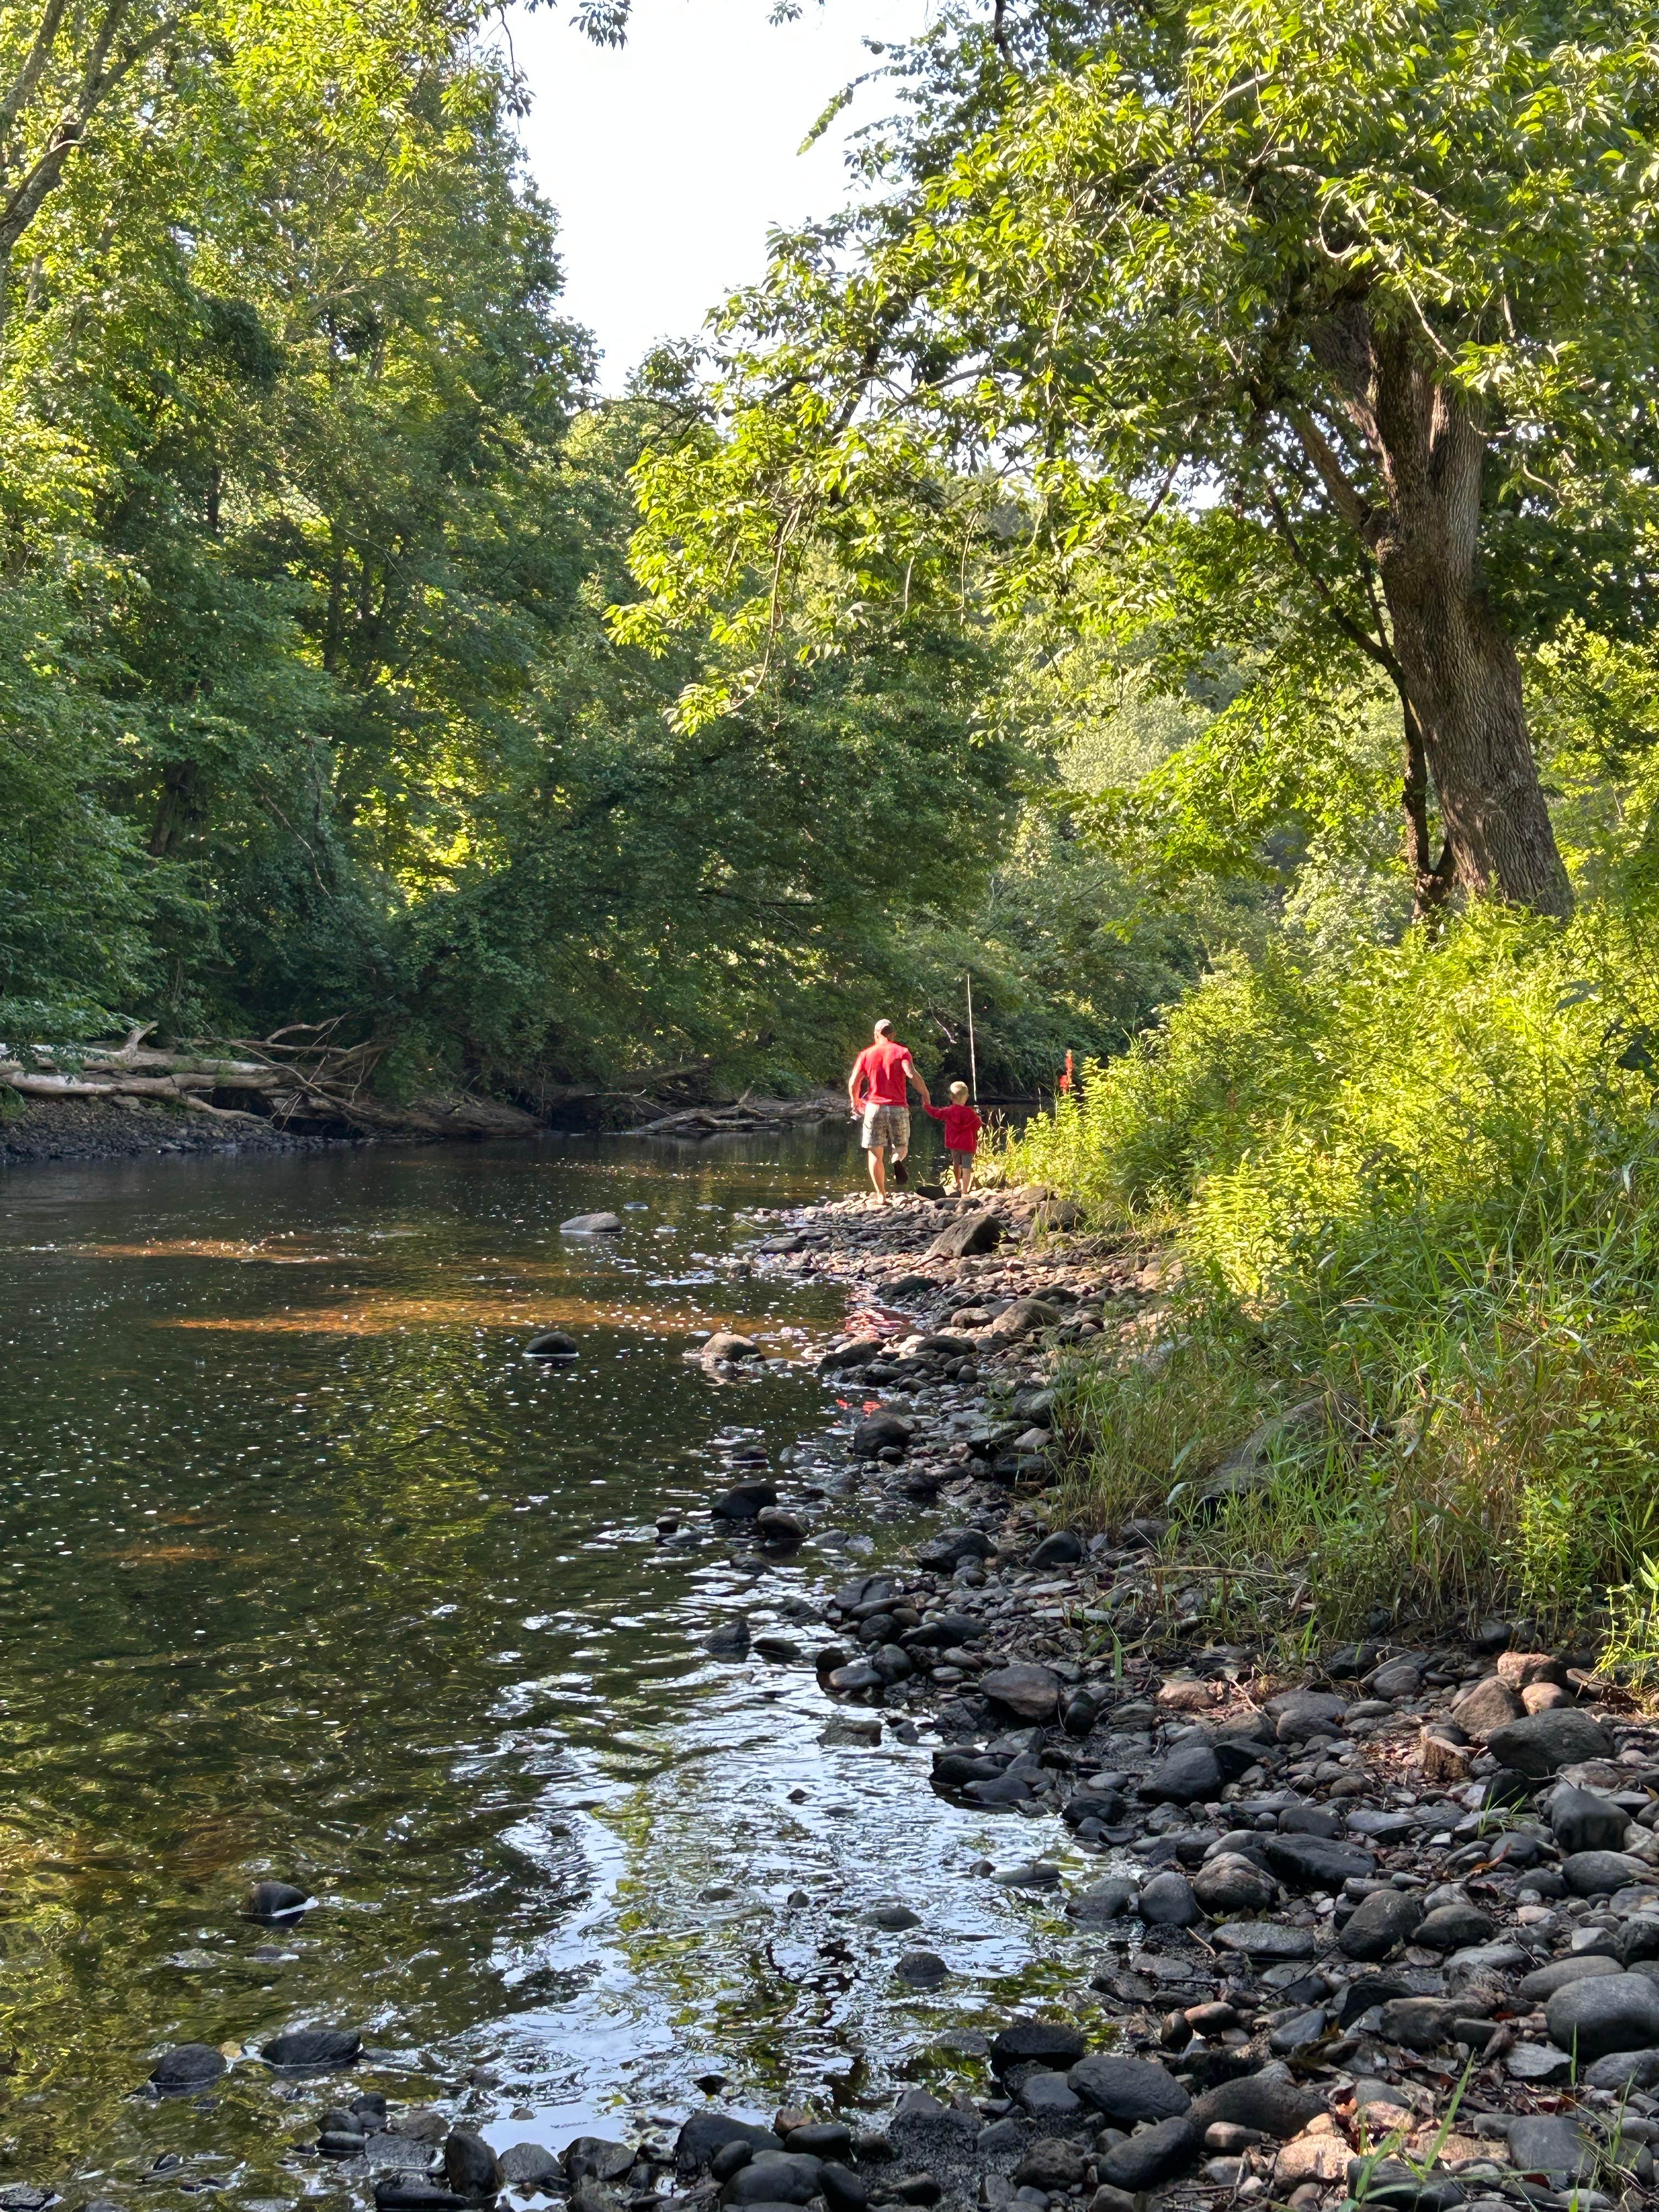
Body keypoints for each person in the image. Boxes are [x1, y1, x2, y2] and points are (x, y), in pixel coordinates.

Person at [847, 1018, 931, 1202]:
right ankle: (896, 1159)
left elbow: (854, 1082)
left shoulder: (866, 1054)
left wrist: (856, 1102)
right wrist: (925, 1094)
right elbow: (911, 1075)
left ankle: (881, 1195)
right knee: (901, 1147)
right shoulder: (902, 1052)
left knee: (875, 1152)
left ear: (876, 1034)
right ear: (893, 1035)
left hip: (874, 1108)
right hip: (898, 1108)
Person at [926, 1080, 983, 1195]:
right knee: (967, 1167)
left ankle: (957, 1183)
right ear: (966, 1097)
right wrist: (978, 1120)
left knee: (956, 1164)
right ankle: (965, 1190)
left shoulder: (948, 1111)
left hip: (954, 1144)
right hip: (967, 1144)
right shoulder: (970, 1113)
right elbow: (978, 1125)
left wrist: (926, 1106)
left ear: (951, 1097)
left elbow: (935, 1113)